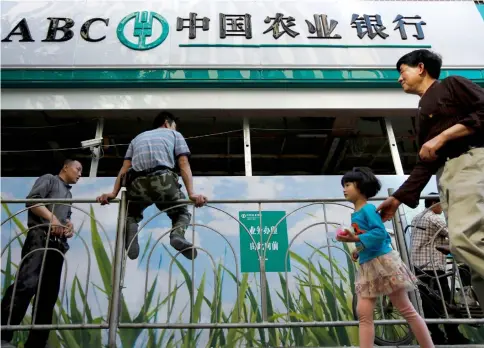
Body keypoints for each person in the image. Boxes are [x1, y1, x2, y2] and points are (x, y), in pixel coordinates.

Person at [377, 49, 484, 312]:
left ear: (421, 68)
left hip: (469, 163)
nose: (399, 79)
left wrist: (443, 136)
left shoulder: (452, 85)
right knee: (471, 253)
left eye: (402, 71)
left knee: (464, 239)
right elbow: (425, 162)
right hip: (448, 176)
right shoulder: (423, 109)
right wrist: (397, 198)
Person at [337, 167, 434, 348]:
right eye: (344, 185)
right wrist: (358, 249)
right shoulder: (358, 213)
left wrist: (356, 239)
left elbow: (380, 234)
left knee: (405, 309)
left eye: (348, 184)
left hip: (383, 263)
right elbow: (368, 235)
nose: (344, 189)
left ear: (360, 187)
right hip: (369, 264)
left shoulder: (368, 210)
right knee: (364, 313)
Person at [96, 112, 207, 260]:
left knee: (131, 214)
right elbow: (183, 163)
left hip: (136, 184)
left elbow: (124, 168)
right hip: (163, 181)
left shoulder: (136, 139)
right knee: (181, 213)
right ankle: (177, 235)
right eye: (174, 125)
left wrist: (113, 193)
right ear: (167, 123)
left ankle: (131, 227)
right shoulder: (174, 135)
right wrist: (192, 193)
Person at [1, 159, 82, 348]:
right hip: (40, 237)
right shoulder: (49, 180)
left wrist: (68, 226)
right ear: (65, 167)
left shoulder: (68, 194)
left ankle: (37, 342)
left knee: (48, 295)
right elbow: (33, 200)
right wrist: (52, 218)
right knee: (26, 285)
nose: (80, 174)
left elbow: (65, 218)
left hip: (58, 245)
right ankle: (3, 333)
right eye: (78, 169)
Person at [411, 194, 470, 344]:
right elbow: (454, 236)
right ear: (433, 203)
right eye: (441, 204)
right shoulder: (434, 218)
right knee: (446, 301)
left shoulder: (417, 217)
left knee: (428, 303)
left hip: (418, 265)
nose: (443, 207)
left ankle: (436, 336)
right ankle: (454, 335)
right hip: (432, 266)